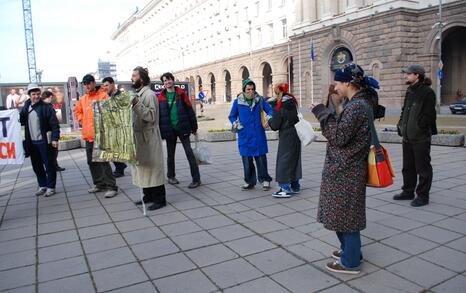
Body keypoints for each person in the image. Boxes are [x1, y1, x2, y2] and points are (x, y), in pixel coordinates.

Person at [310, 63, 372, 274]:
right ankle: (351, 251)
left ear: (347, 82)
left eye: (338, 81)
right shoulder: (357, 103)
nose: (335, 85)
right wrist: (334, 108)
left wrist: (321, 112)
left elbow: (338, 137)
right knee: (344, 215)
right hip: (347, 169)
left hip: (346, 171)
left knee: (346, 218)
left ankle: (350, 262)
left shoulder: (356, 107)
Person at [395, 64, 437, 207]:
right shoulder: (409, 91)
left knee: (423, 168)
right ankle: (408, 191)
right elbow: (404, 110)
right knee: (408, 167)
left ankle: (423, 196)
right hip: (407, 137)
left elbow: (429, 115)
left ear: (416, 75)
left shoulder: (427, 92)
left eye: (408, 74)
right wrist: (401, 124)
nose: (405, 76)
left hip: (420, 138)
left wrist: (419, 128)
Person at [74, 74, 118, 198]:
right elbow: (78, 111)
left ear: (94, 83)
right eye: (85, 84)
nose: (87, 86)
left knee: (103, 161)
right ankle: (99, 184)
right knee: (91, 162)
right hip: (88, 136)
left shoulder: (103, 96)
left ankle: (112, 186)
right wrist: (82, 119)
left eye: (89, 83)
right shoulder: (83, 99)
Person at [131, 67, 167, 210]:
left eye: (134, 75)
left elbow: (151, 116)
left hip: (149, 136)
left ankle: (160, 199)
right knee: (143, 167)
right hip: (139, 137)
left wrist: (137, 104)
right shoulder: (138, 94)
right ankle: (148, 196)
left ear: (142, 78)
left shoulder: (150, 95)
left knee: (153, 167)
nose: (132, 78)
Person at [158, 72, 201, 189]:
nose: (167, 82)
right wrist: (161, 132)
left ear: (173, 80)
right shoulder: (161, 97)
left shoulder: (181, 94)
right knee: (170, 155)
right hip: (169, 130)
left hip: (183, 128)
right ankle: (171, 176)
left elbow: (190, 111)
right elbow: (160, 117)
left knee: (189, 154)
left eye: (169, 80)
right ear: (163, 83)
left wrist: (194, 127)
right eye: (165, 81)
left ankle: (196, 179)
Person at [228, 79, 273, 191]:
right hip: (245, 135)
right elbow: (232, 116)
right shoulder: (237, 102)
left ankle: (265, 179)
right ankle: (249, 181)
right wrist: (236, 123)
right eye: (248, 89)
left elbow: (270, 110)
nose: (250, 91)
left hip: (258, 134)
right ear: (244, 90)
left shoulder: (260, 100)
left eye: (252, 89)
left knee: (261, 159)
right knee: (247, 160)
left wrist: (269, 119)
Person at [20, 84, 60, 197]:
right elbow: (20, 121)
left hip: (44, 142)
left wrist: (55, 138)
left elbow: (54, 124)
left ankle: (51, 187)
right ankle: (42, 185)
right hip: (32, 143)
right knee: (37, 166)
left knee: (49, 165)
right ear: (29, 95)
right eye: (33, 94)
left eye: (38, 94)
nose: (36, 96)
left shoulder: (46, 107)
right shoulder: (26, 108)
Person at [268, 83, 301, 198]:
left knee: (283, 161)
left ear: (277, 91)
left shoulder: (279, 105)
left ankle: (285, 188)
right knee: (294, 159)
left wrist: (269, 120)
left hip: (286, 135)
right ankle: (295, 185)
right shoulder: (291, 101)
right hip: (296, 134)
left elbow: (275, 125)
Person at [102, 76, 127, 178]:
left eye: (107, 85)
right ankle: (120, 166)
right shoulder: (109, 96)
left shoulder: (120, 96)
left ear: (113, 84)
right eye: (104, 86)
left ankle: (120, 169)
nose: (105, 87)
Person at [41, 91, 65, 172]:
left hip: (47, 133)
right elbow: (53, 123)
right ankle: (53, 166)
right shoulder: (47, 106)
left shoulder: (43, 106)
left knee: (51, 151)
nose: (52, 99)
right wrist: (55, 137)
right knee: (53, 151)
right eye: (52, 97)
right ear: (49, 97)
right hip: (49, 133)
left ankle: (54, 165)